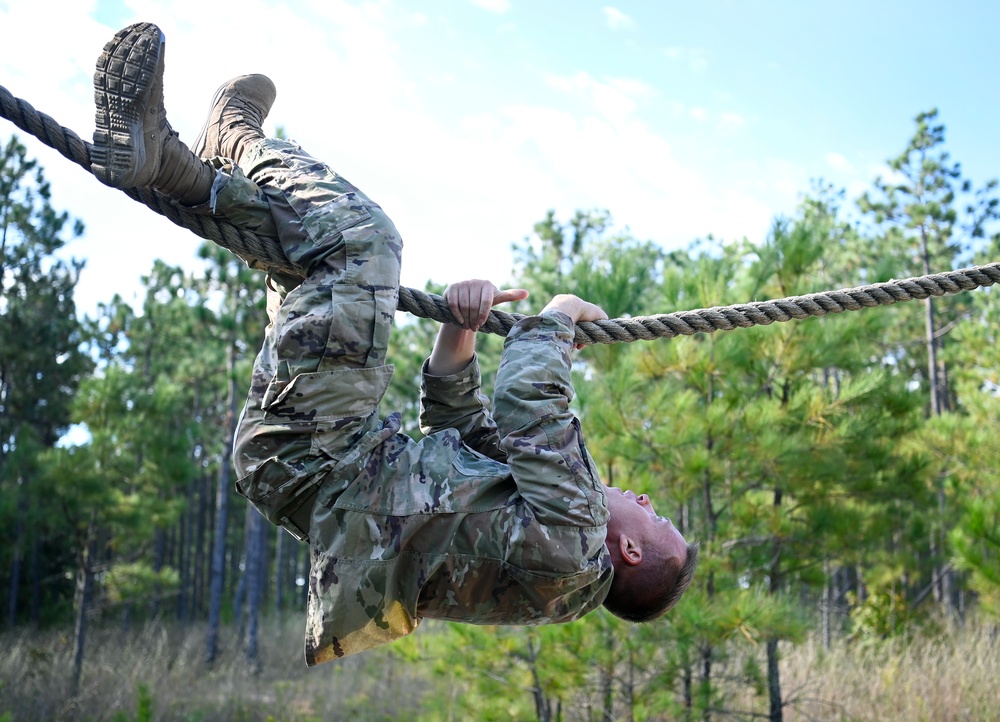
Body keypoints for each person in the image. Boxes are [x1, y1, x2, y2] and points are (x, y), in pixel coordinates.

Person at [92, 22, 698, 665]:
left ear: (629, 551)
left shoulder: (577, 542)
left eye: (656, 521)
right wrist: (459, 326)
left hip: (322, 453)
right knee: (316, 261)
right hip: (311, 461)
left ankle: (231, 141)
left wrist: (559, 315)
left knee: (365, 243)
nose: (646, 501)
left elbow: (529, 400)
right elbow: (461, 427)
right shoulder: (551, 561)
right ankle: (176, 166)